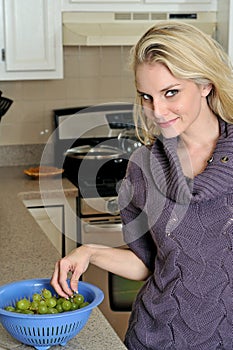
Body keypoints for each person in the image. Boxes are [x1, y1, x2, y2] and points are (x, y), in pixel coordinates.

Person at [51, 21, 233, 349]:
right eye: (146, 96)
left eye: (171, 92)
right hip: (155, 338)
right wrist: (90, 252)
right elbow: (148, 262)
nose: (157, 111)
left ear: (206, 84)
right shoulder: (142, 169)